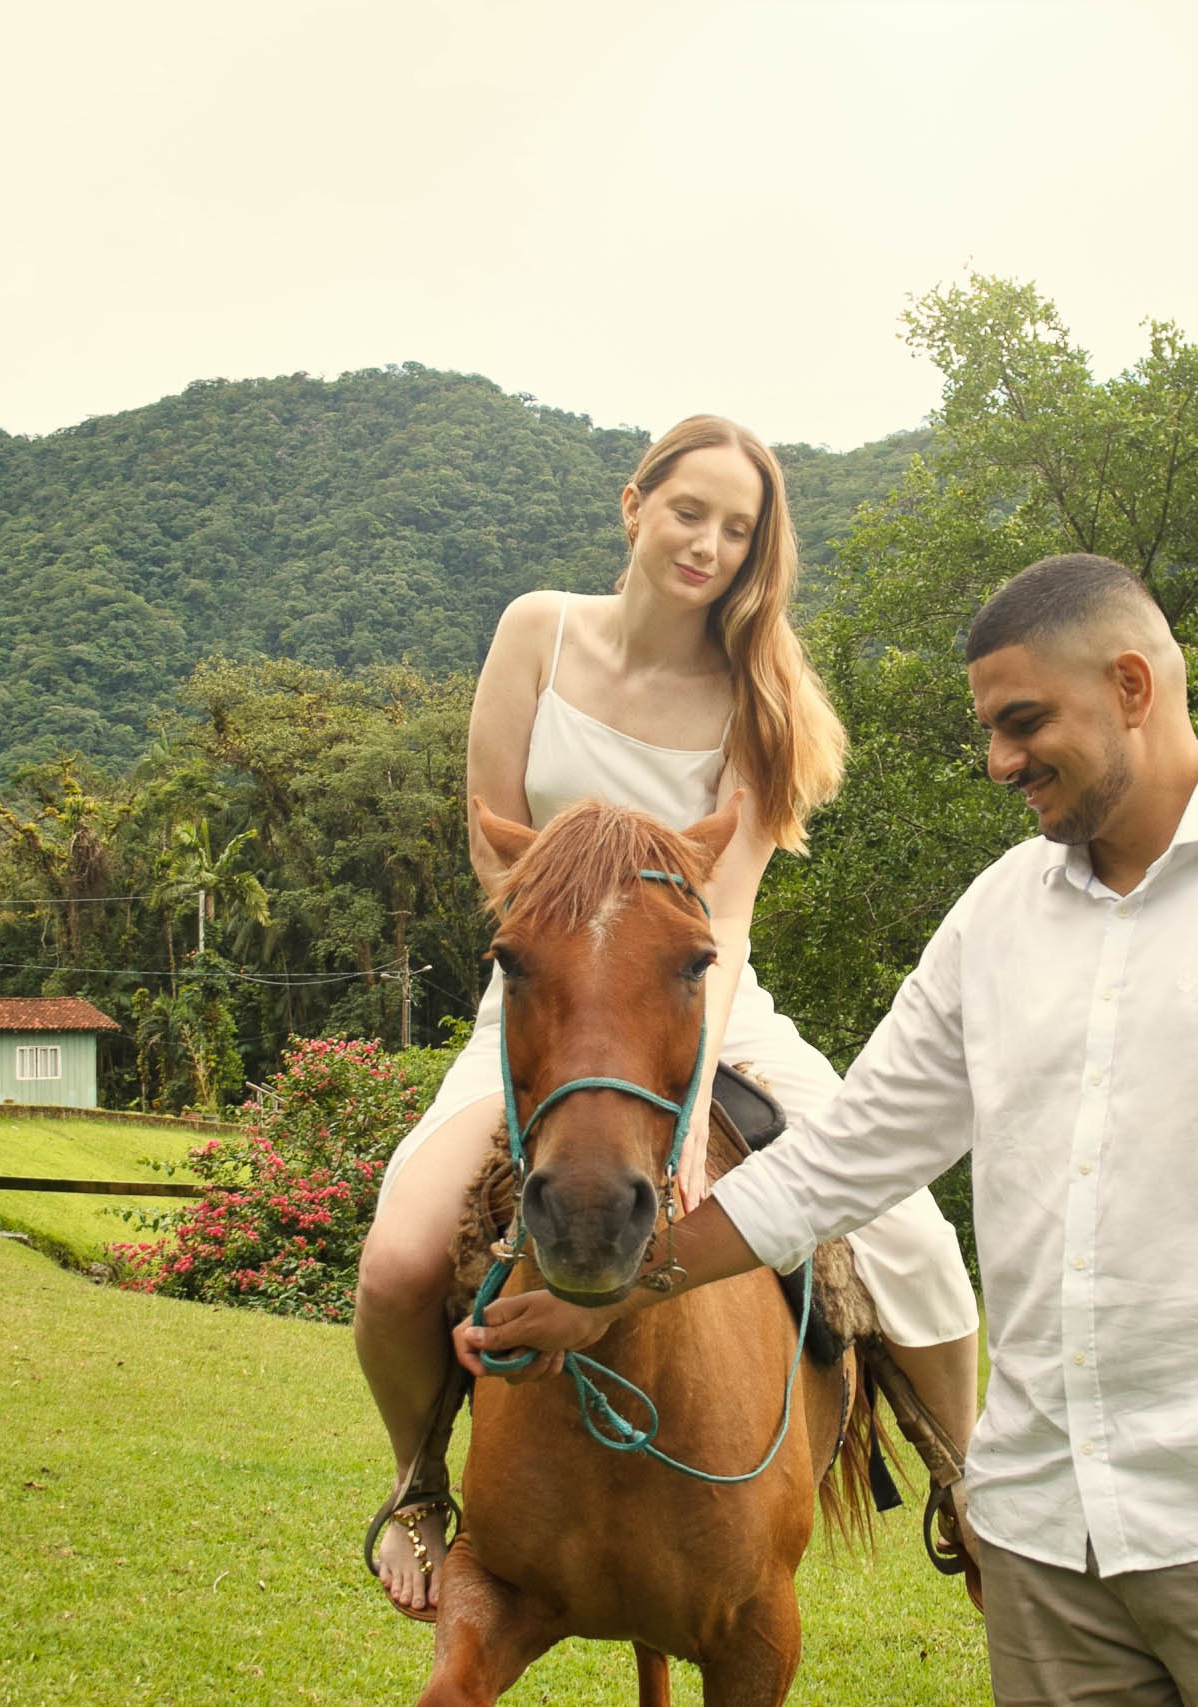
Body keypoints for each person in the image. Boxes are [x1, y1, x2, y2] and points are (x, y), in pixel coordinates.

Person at [469, 552, 1198, 1704]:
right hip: (1049, 1549)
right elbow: (846, 1154)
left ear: (1133, 687)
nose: (999, 761)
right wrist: (620, 1288)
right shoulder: (1000, 913)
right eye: (991, 730)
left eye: (1023, 722)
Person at [353, 415, 982, 1620]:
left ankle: (964, 1485)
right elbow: (494, 836)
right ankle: (421, 1485)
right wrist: (557, 982)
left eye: (738, 529)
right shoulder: (534, 630)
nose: (708, 543)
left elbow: (726, 922)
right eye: (689, 510)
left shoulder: (754, 693)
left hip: (705, 1004)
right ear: (634, 503)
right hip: (537, 1002)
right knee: (395, 1261)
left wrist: (688, 1123)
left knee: (913, 1241)